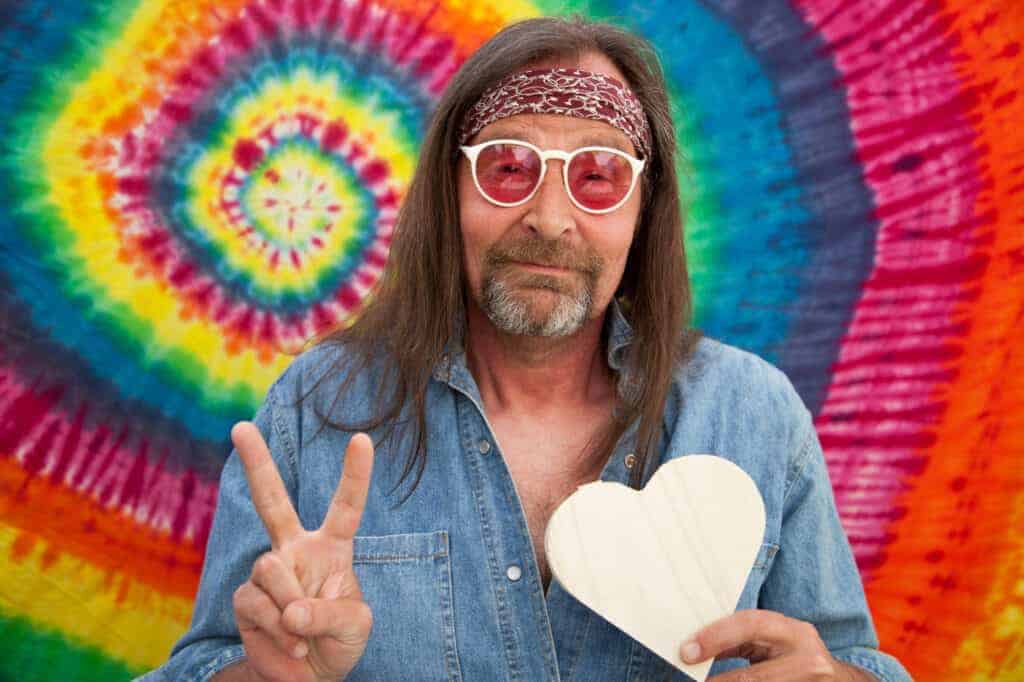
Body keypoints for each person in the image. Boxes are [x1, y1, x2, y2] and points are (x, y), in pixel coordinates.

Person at [140, 16, 911, 682]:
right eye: (508, 168)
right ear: (452, 192)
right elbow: (202, 666)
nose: (549, 216)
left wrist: (834, 674)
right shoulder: (321, 408)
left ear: (645, 209)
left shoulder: (751, 412)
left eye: (599, 176)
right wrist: (277, 672)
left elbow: (853, 661)